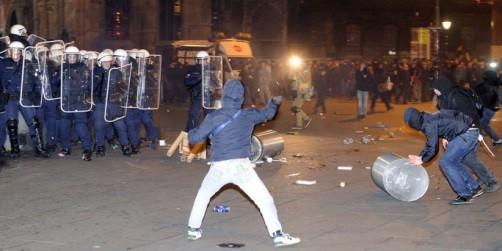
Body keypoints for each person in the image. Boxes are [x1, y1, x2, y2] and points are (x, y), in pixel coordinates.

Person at [186, 80, 301, 247]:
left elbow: (195, 138)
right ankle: (278, 235)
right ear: (241, 98)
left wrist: (191, 130)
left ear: (224, 95)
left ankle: (193, 230)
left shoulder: (214, 117)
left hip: (219, 167)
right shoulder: (248, 115)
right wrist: (274, 103)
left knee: (203, 196)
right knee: (264, 199)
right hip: (241, 167)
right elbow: (267, 114)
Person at [432, 76, 499, 192]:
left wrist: (476, 131)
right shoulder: (442, 99)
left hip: (469, 131)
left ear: (442, 87)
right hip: (458, 133)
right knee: (463, 158)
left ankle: (491, 181)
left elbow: (471, 114)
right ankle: (483, 177)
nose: (434, 91)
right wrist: (445, 136)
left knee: (468, 158)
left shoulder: (456, 97)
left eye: (435, 88)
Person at [404, 108, 484, 205]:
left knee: (446, 162)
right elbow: (450, 117)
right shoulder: (427, 117)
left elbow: (433, 148)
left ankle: (465, 194)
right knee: (453, 161)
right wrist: (447, 136)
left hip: (467, 134)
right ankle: (474, 187)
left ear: (414, 123)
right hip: (469, 130)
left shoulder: (428, 124)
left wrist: (422, 160)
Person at [0, 41, 48, 158]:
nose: (15, 53)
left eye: (18, 50)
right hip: (10, 98)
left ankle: (39, 148)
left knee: (33, 122)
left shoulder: (28, 64)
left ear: (21, 52)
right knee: (11, 123)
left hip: (25, 97)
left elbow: (36, 81)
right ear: (9, 51)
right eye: (13, 50)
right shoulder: (2, 63)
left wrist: (36, 95)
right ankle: (15, 150)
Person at [92, 50, 132, 156]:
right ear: (100, 62)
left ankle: (125, 145)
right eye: (105, 62)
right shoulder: (95, 72)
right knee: (99, 125)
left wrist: (117, 97)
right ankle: (100, 146)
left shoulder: (116, 72)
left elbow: (123, 88)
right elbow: (91, 88)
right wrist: (93, 98)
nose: (107, 63)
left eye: (109, 61)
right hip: (100, 103)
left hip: (113, 103)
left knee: (120, 125)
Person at [58, 46, 93, 161]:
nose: (72, 58)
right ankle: (65, 148)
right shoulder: (62, 68)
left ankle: (87, 149)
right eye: (70, 56)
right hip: (66, 101)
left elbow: (88, 84)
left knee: (80, 125)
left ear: (77, 57)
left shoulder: (83, 68)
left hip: (79, 101)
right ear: (66, 57)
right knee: (64, 126)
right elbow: (55, 84)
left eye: (74, 56)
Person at [475, 70, 502, 146]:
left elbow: (475, 94)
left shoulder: (485, 85)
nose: (484, 77)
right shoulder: (497, 85)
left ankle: (497, 139)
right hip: (491, 109)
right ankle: (495, 138)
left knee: (481, 124)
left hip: (486, 109)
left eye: (485, 76)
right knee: (483, 124)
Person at [184, 51, 208, 131]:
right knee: (193, 114)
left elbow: (217, 82)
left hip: (209, 97)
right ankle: (190, 132)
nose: (202, 62)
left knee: (211, 115)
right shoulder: (192, 70)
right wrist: (198, 78)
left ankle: (211, 135)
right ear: (197, 60)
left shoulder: (212, 69)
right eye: (200, 60)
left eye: (204, 60)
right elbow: (187, 82)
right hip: (198, 96)